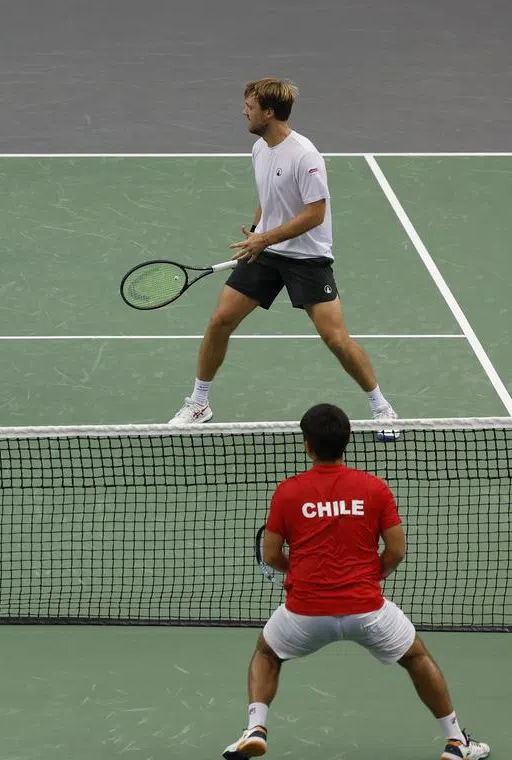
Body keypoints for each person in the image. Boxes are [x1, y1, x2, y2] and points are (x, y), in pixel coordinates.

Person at [224, 403, 490, 760]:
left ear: (307, 445)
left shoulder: (287, 492)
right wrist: (368, 576)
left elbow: (271, 555)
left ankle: (255, 727)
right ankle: (457, 741)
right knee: (416, 658)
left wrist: (302, 573)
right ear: (347, 441)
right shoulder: (374, 488)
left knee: (267, 653)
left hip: (304, 613)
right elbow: (396, 550)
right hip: (368, 610)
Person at [168, 78, 397, 437]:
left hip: (307, 258)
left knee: (336, 339)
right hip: (267, 251)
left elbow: (314, 214)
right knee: (220, 320)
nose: (244, 109)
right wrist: (257, 234)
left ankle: (381, 408)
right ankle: (199, 403)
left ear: (269, 112)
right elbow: (267, 196)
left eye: (251, 105)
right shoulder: (261, 148)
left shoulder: (305, 156)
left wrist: (267, 238)